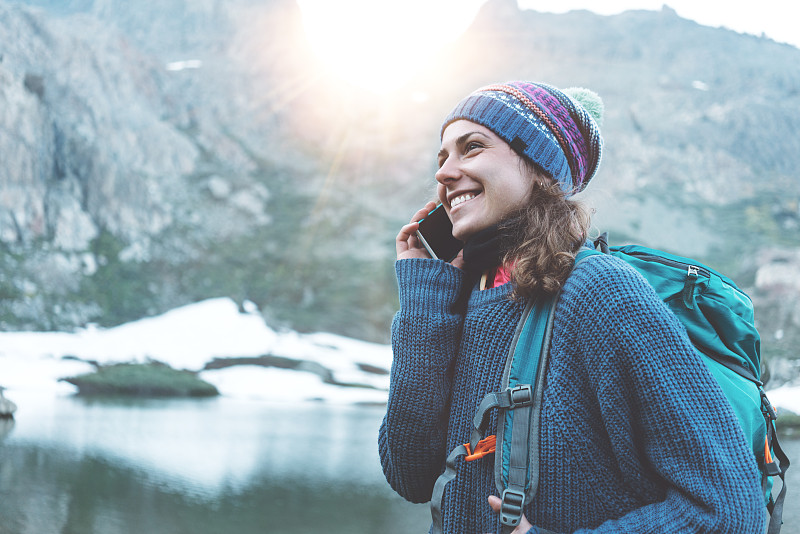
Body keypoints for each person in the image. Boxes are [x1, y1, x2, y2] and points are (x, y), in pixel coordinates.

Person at [378, 81, 764, 533]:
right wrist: (425, 298)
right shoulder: (465, 296)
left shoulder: (601, 291)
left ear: (540, 168)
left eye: (472, 147)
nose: (444, 173)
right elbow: (410, 475)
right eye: (442, 157)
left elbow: (729, 512)